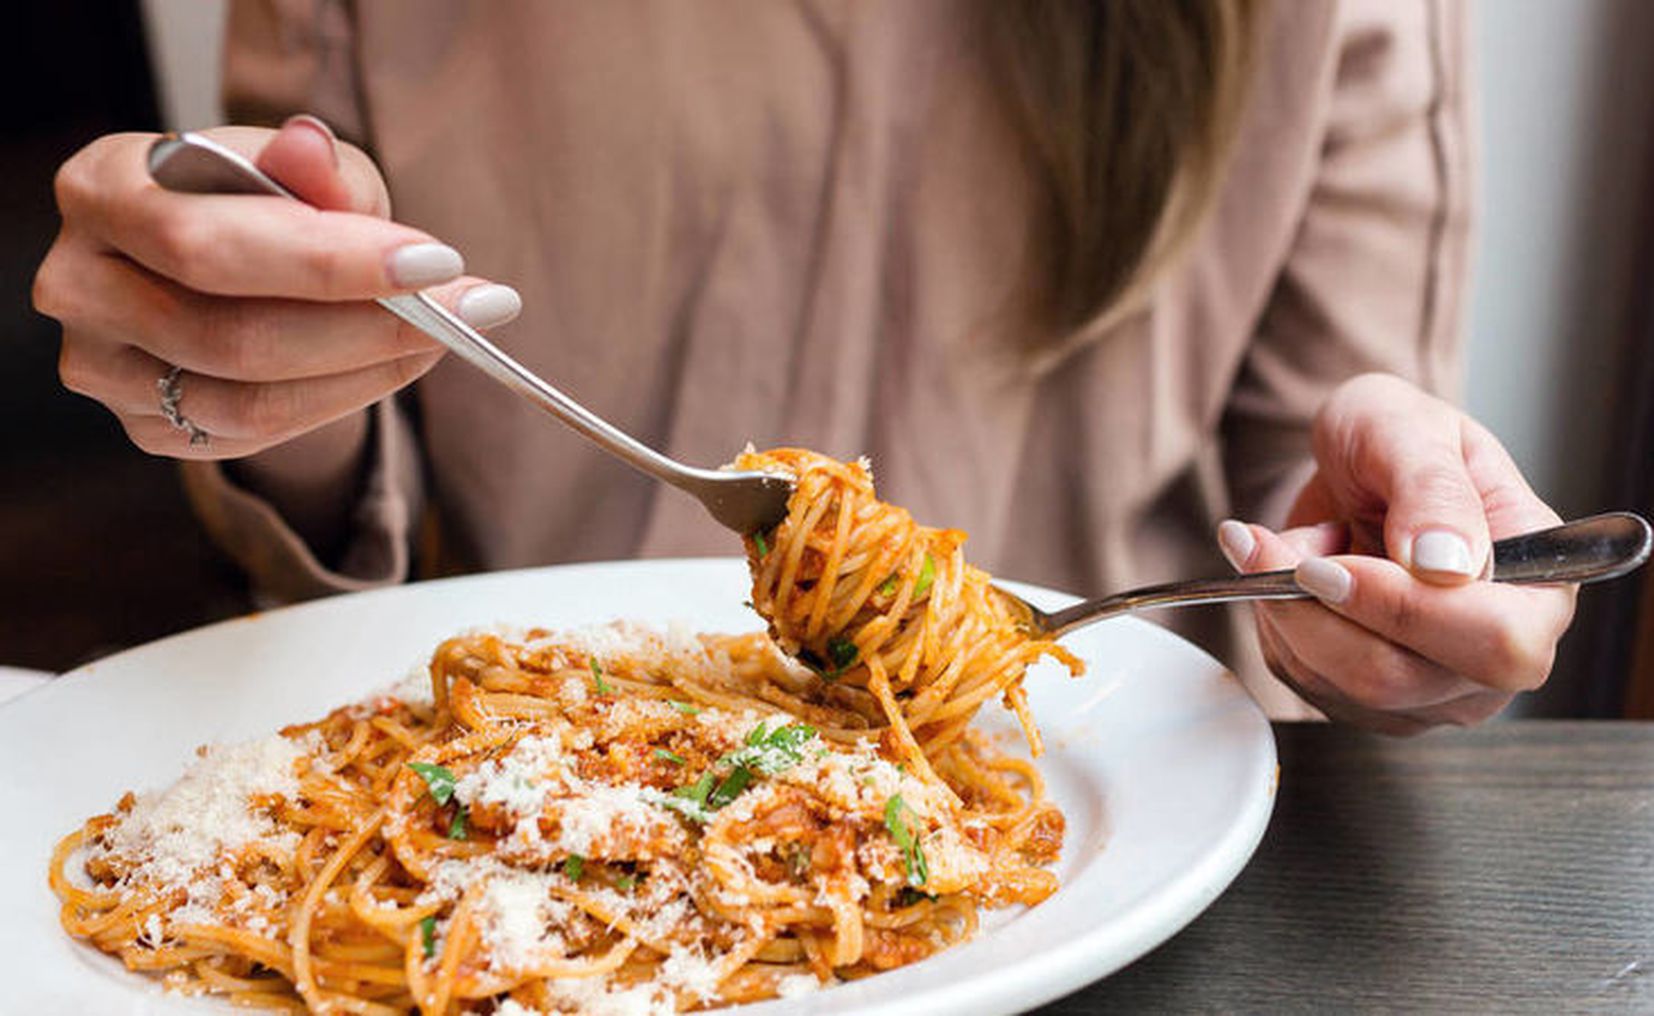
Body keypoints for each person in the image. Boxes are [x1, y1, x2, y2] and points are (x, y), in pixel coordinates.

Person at [32, 0, 1573, 733]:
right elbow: (323, 515)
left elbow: (1321, 507)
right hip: (538, 769)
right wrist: (241, 352)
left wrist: (1377, 608)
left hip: (1098, 804)